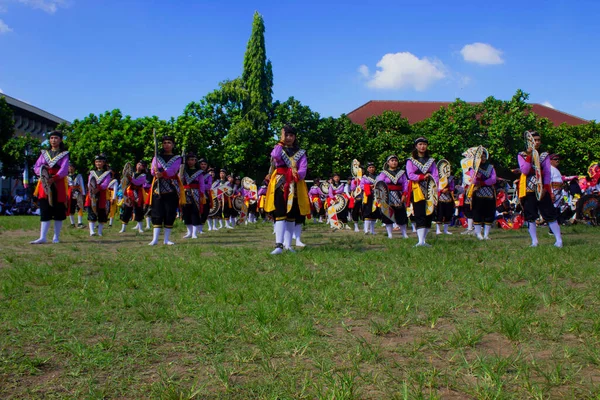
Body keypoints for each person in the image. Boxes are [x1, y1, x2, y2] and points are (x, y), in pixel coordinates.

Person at [264, 124, 310, 254]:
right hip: (280, 184)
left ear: (295, 137)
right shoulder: (279, 149)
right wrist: (281, 141)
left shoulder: (301, 153)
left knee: (291, 216)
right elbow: (275, 156)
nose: (289, 138)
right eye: (286, 135)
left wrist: (296, 174)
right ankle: (278, 245)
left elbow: (303, 170)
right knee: (280, 214)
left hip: (295, 185)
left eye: (291, 135)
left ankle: (288, 245)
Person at [517, 131, 562, 247]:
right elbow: (525, 170)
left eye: (538, 140)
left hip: (542, 189)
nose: (537, 142)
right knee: (530, 216)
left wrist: (546, 188)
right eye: (534, 140)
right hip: (528, 190)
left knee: (549, 214)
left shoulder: (544, 156)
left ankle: (558, 240)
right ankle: (534, 241)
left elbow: (547, 173)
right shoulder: (521, 155)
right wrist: (529, 156)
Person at [30, 130, 69, 244]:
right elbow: (37, 166)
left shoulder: (64, 154)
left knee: (58, 210)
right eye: (51, 138)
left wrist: (55, 177)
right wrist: (42, 174)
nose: (53, 140)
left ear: (60, 140)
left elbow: (64, 168)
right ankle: (42, 237)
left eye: (56, 138)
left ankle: (56, 237)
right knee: (45, 209)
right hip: (45, 182)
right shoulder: (44, 153)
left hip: (58, 183)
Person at [148, 135, 184, 245]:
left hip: (171, 188)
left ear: (173, 145)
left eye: (169, 142)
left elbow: (173, 170)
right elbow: (152, 170)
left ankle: (166, 239)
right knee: (157, 213)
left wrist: (162, 173)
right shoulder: (156, 157)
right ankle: (155, 239)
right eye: (164, 143)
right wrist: (156, 173)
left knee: (169, 213)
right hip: (158, 188)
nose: (166, 145)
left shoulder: (178, 158)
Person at [406, 137, 439, 247]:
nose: (422, 146)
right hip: (418, 189)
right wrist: (421, 177)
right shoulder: (410, 161)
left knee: (429, 213)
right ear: (416, 146)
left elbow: (436, 175)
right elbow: (410, 175)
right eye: (420, 144)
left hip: (430, 188)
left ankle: (424, 240)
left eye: (424, 144)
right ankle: (420, 241)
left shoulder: (431, 161)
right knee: (419, 212)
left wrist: (434, 184)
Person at [377, 155, 409, 239]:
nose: (394, 162)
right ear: (388, 163)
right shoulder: (384, 173)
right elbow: (379, 183)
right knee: (388, 215)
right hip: (387, 196)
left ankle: (404, 234)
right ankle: (390, 234)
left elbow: (405, 184)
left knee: (401, 214)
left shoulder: (401, 173)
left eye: (395, 160)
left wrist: (404, 194)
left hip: (399, 195)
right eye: (392, 160)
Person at [469, 148, 497, 240]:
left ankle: (486, 234)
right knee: (477, 212)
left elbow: (493, 179)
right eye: (481, 156)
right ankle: (478, 234)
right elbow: (472, 180)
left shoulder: (491, 167)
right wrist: (477, 178)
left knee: (489, 212)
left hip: (489, 192)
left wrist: (483, 183)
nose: (483, 158)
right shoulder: (473, 168)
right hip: (477, 192)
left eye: (484, 156)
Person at [86, 153, 112, 237]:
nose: (98, 163)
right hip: (92, 193)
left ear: (104, 162)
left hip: (101, 194)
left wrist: (98, 188)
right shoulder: (92, 172)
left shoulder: (107, 173)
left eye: (100, 162)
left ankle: (100, 231)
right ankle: (92, 231)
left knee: (101, 212)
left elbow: (106, 183)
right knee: (91, 211)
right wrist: (92, 189)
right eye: (96, 162)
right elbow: (89, 182)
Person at [119, 160, 148, 234]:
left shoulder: (144, 175)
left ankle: (140, 228)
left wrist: (130, 178)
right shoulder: (132, 173)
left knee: (139, 210)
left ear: (143, 167)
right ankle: (123, 228)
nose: (139, 166)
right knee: (127, 210)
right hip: (130, 192)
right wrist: (125, 178)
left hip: (138, 193)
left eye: (141, 165)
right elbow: (126, 182)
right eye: (138, 164)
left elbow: (137, 182)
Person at [181, 152, 205, 239]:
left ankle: (194, 233)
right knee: (186, 212)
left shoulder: (199, 172)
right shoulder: (183, 170)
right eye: (191, 160)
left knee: (195, 212)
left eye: (194, 160)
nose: (192, 161)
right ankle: (189, 232)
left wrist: (201, 194)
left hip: (195, 193)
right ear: (187, 161)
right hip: (185, 192)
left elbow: (202, 184)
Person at [67, 162, 86, 228]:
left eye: (71, 167)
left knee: (79, 206)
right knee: (70, 207)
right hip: (70, 192)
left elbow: (82, 184)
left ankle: (79, 222)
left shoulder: (79, 175)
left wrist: (83, 194)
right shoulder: (66, 177)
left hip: (78, 191)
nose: (70, 168)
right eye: (69, 167)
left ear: (74, 168)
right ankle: (72, 223)